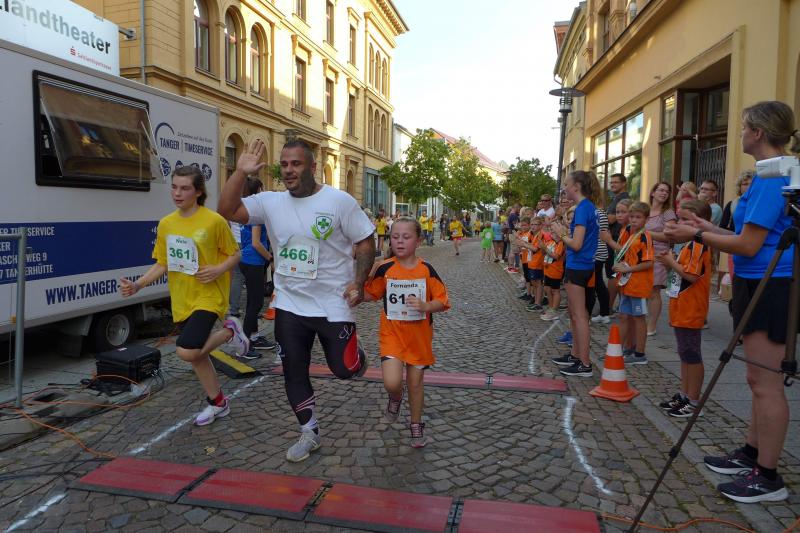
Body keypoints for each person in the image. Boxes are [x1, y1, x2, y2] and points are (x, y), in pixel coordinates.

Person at [665, 100, 796, 503]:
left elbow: (750, 245)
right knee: (757, 379)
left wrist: (696, 235)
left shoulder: (773, 178)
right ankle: (752, 454)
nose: (739, 134)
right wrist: (707, 226)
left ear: (757, 132)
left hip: (771, 285)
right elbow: (745, 235)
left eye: (742, 127)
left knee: (766, 382)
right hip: (756, 282)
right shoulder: (768, 174)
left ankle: (768, 477)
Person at [218, 139, 374, 463]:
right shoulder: (269, 202)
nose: (289, 170)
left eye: (296, 164)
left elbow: (365, 241)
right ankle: (309, 431)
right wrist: (240, 173)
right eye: (284, 164)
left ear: (313, 167)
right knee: (293, 371)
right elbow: (226, 211)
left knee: (345, 370)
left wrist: (358, 283)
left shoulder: (339, 201)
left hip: (333, 302)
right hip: (290, 303)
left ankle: (356, 357)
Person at [120, 166, 247, 426]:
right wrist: (138, 285)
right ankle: (218, 403)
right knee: (198, 357)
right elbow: (163, 262)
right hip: (182, 298)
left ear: (198, 192)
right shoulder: (167, 224)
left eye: (185, 188)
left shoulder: (214, 221)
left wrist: (218, 269)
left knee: (187, 351)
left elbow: (235, 254)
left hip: (209, 296)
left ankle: (230, 332)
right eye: (174, 187)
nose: (177, 193)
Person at [364, 217, 450, 447]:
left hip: (419, 338)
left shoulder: (427, 270)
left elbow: (442, 301)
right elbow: (371, 294)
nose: (399, 241)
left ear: (418, 241)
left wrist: (426, 306)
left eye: (406, 237)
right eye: (395, 237)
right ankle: (395, 396)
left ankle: (416, 424)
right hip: (392, 334)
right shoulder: (385, 268)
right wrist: (359, 283)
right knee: (392, 382)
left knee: (415, 384)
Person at [655, 199, 712, 417]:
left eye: (685, 220)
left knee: (692, 354)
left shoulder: (698, 244)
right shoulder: (689, 244)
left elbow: (691, 275)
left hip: (691, 308)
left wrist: (671, 262)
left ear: (700, 223)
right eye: (680, 219)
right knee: (685, 353)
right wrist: (671, 261)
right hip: (682, 307)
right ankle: (685, 394)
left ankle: (693, 400)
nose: (679, 224)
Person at [550, 171, 600, 377]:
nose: (564, 188)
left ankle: (584, 363)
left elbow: (577, 244)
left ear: (576, 187)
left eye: (566, 185)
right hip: (582, 265)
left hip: (579, 265)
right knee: (575, 313)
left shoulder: (582, 208)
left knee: (579, 316)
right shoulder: (589, 207)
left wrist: (561, 233)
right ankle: (575, 355)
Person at [608, 201, 655, 365]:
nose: (634, 220)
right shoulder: (628, 231)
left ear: (646, 219)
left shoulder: (645, 236)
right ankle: (619, 350)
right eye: (632, 216)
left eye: (638, 217)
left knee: (638, 318)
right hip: (627, 283)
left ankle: (640, 353)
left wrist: (628, 269)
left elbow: (649, 263)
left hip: (639, 285)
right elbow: (625, 253)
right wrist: (620, 266)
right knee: (624, 316)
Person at [238, 177, 278, 359]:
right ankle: (244, 345)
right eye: (262, 188)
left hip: (248, 260)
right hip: (253, 260)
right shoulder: (256, 213)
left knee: (252, 302)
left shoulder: (246, 208)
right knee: (255, 303)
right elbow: (256, 243)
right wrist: (270, 258)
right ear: (258, 190)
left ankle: (254, 336)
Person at [645, 182, 677, 336]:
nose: (664, 193)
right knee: (644, 289)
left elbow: (670, 236)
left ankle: (651, 326)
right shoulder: (645, 210)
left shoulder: (668, 213)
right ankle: (642, 322)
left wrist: (646, 233)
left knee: (654, 290)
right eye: (661, 190)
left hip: (658, 254)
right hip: (642, 254)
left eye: (667, 191)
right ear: (653, 192)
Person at [540, 218, 565, 321]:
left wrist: (545, 248)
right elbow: (544, 253)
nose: (551, 231)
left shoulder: (561, 243)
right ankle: (551, 308)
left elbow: (556, 256)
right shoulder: (550, 241)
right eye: (551, 229)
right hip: (547, 269)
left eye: (553, 229)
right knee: (547, 289)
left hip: (555, 270)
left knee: (555, 290)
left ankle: (554, 310)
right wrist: (542, 247)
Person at [590, 204, 611, 324]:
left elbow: (597, 231)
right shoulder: (596, 212)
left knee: (596, 284)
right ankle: (604, 312)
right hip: (597, 251)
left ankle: (604, 312)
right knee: (597, 283)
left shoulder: (597, 213)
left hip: (597, 252)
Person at [228, 220, 245, 318]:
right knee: (243, 276)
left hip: (235, 240)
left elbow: (226, 222)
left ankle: (233, 308)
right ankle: (253, 309)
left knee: (236, 276)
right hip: (247, 241)